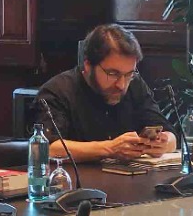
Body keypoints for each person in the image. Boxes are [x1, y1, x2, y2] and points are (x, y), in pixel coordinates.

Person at [34, 23, 174, 162]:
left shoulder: (135, 84)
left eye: (129, 74)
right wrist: (110, 149)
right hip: (75, 181)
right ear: (88, 65)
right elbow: (48, 148)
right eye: (113, 73)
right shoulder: (57, 91)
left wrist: (162, 144)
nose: (121, 85)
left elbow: (171, 136)